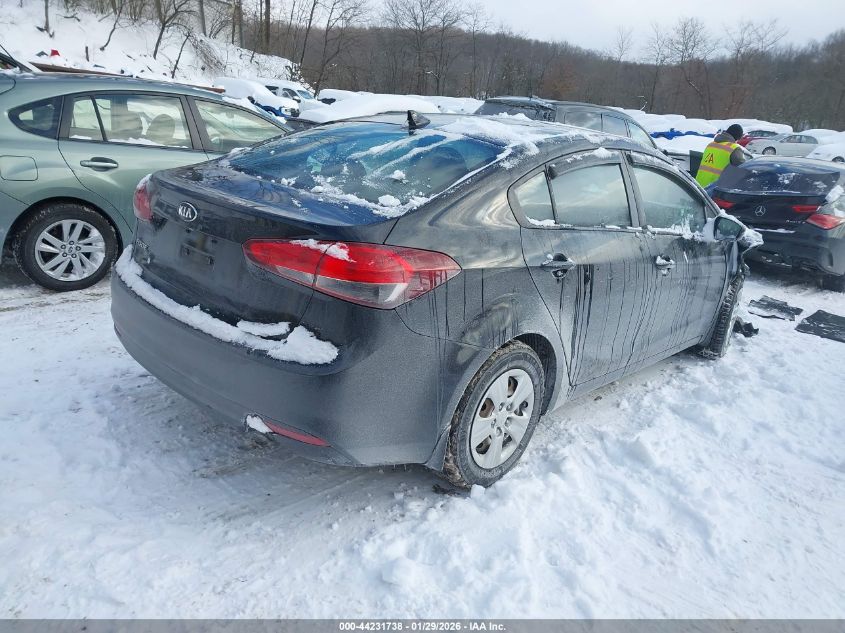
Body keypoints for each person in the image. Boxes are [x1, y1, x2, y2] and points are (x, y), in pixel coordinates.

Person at [695, 123, 747, 188]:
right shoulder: (734, 148)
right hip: (715, 188)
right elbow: (744, 167)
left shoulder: (710, 145)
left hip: (699, 185)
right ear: (737, 137)